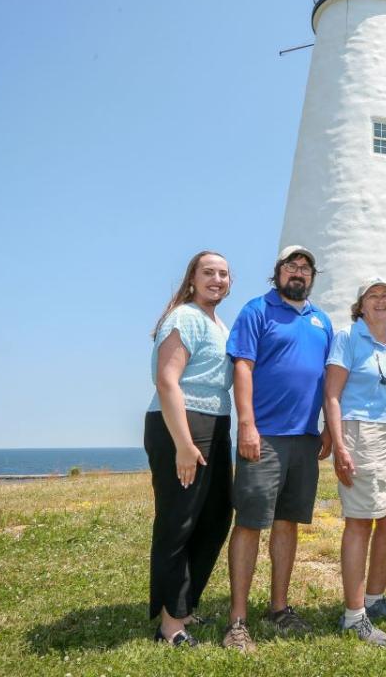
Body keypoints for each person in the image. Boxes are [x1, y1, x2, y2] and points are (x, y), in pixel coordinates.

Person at [222, 245, 334, 653]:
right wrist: (248, 426)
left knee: (288, 521)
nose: (298, 273)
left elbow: (325, 379)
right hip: (264, 436)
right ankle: (237, 620)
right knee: (251, 522)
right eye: (291, 266)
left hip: (305, 439)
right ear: (278, 272)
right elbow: (242, 368)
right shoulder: (256, 311)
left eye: (305, 267)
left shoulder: (322, 321)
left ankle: (279, 608)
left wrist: (325, 427)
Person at [144, 251, 235, 647]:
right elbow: (167, 381)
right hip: (181, 424)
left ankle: (183, 604)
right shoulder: (184, 318)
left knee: (215, 519)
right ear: (192, 279)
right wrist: (183, 444)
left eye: (224, 274)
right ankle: (170, 625)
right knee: (178, 522)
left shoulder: (220, 323)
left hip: (217, 424)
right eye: (209, 272)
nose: (217, 279)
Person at [323, 278, 386, 647]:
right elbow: (332, 394)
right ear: (360, 305)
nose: (380, 301)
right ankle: (354, 615)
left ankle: (375, 600)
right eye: (372, 296)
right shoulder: (347, 337)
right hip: (362, 430)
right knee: (361, 520)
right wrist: (340, 446)